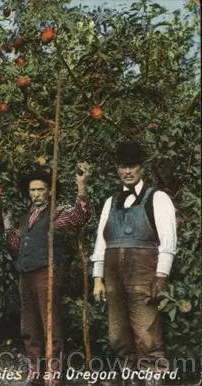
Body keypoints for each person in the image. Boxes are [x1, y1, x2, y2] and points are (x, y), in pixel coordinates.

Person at [91, 141, 177, 377]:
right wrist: (98, 277)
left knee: (147, 335)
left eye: (132, 166)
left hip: (144, 277)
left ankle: (153, 378)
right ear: (117, 169)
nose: (127, 171)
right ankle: (130, 379)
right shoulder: (111, 202)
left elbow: (168, 240)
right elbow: (101, 241)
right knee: (117, 336)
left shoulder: (157, 199)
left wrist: (161, 276)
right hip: (113, 280)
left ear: (142, 167)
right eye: (122, 166)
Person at [3, 163, 91, 384]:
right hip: (26, 275)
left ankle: (53, 373)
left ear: (49, 191)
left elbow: (79, 218)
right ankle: (35, 371)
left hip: (47, 273)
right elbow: (16, 247)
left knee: (50, 325)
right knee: (29, 326)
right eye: (33, 190)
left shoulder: (55, 214)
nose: (36, 194)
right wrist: (7, 227)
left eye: (41, 189)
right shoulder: (26, 217)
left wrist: (81, 187)